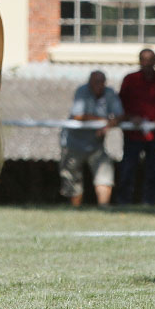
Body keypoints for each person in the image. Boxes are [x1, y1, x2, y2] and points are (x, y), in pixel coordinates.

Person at [118, 48, 155, 204]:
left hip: (154, 134)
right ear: (140, 61)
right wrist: (130, 117)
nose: (147, 63)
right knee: (128, 168)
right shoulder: (130, 79)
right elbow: (120, 104)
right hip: (133, 134)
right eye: (144, 59)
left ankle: (150, 202)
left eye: (151, 60)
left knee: (152, 170)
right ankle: (124, 201)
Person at [60, 71, 123, 207]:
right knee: (72, 178)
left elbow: (119, 115)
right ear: (89, 82)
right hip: (74, 143)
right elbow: (78, 115)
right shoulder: (82, 92)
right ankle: (75, 209)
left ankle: (104, 208)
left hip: (96, 145)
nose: (98, 85)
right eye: (95, 82)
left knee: (104, 176)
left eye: (101, 82)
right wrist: (103, 120)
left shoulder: (110, 93)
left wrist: (107, 126)